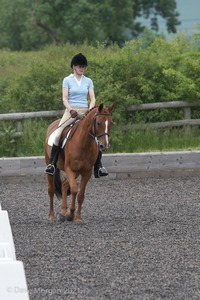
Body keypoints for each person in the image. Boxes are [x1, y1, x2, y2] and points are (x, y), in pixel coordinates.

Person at [45, 53, 108, 178]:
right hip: (71, 112)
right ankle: (52, 164)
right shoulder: (67, 80)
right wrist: (70, 109)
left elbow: (93, 98)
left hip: (85, 111)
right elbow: (64, 98)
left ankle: (98, 166)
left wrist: (90, 110)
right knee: (57, 134)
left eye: (84, 66)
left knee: (96, 136)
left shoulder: (88, 81)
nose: (82, 68)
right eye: (80, 66)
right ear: (74, 66)